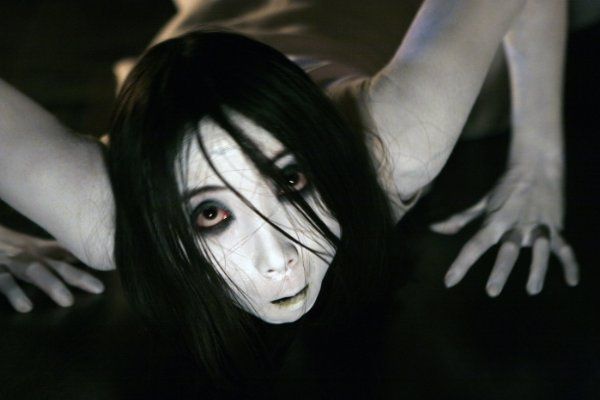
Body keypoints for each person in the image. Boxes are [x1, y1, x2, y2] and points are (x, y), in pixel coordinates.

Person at [0, 0, 579, 377]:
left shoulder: (393, 143)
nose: (279, 263)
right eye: (209, 214)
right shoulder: (110, 214)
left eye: (293, 180)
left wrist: (539, 163)